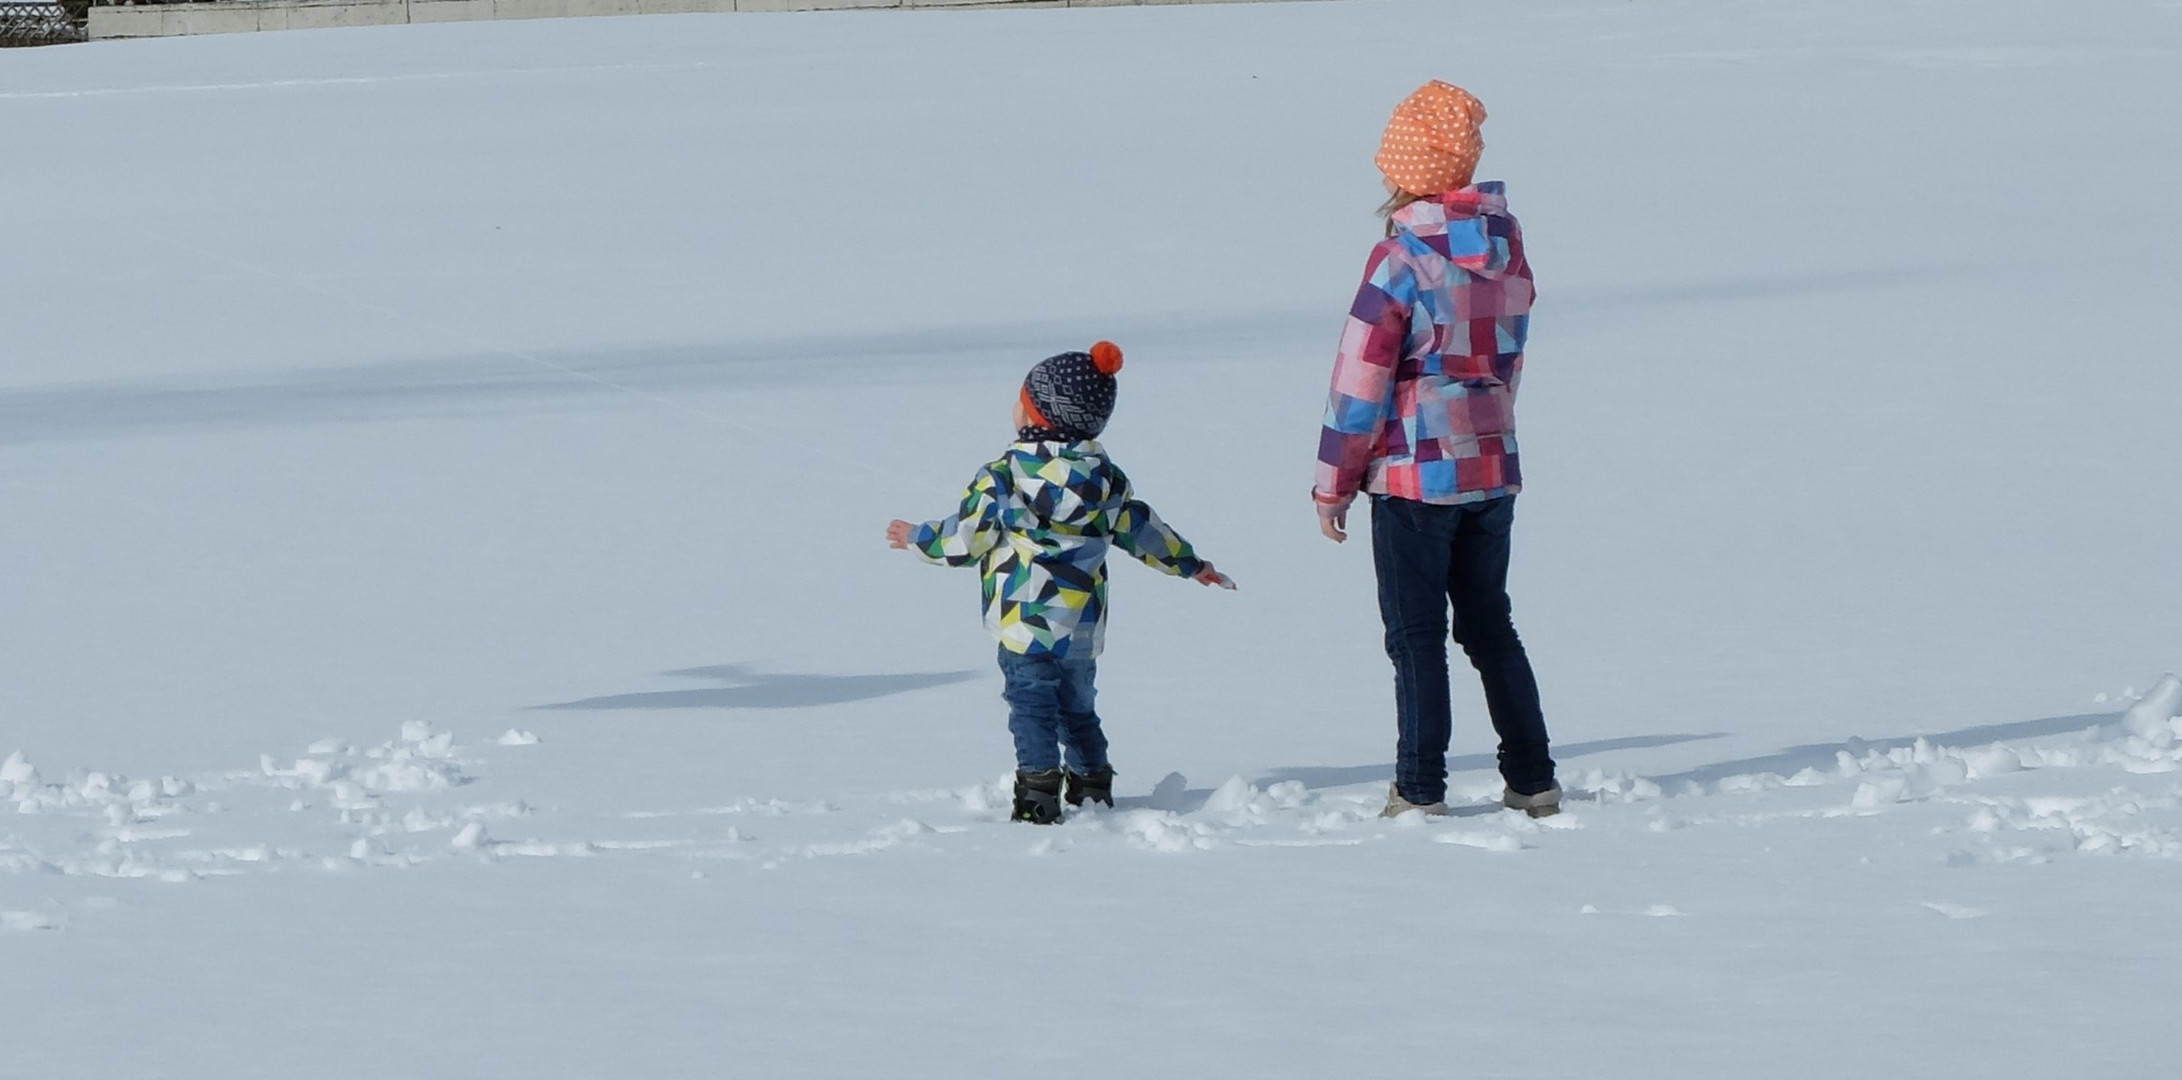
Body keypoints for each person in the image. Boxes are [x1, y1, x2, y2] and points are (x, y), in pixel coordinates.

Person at [1312, 81, 1561, 819]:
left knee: (1416, 634)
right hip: (1490, 460)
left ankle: (1419, 788)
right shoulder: (1508, 251)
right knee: (1489, 623)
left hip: (1415, 474)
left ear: (1404, 170)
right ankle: (1534, 778)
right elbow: (1509, 357)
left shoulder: (1398, 259)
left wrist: (1334, 483)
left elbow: (1361, 379)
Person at [889, 342, 1233, 824]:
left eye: (1023, 399)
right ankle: (1092, 785)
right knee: (1078, 707)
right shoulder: (1106, 482)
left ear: (1039, 417)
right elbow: (1143, 530)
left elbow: (964, 542)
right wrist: (1190, 564)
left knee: (1030, 706)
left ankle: (1038, 795)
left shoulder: (1003, 479)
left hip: (1023, 622)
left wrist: (916, 537)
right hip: (1081, 626)